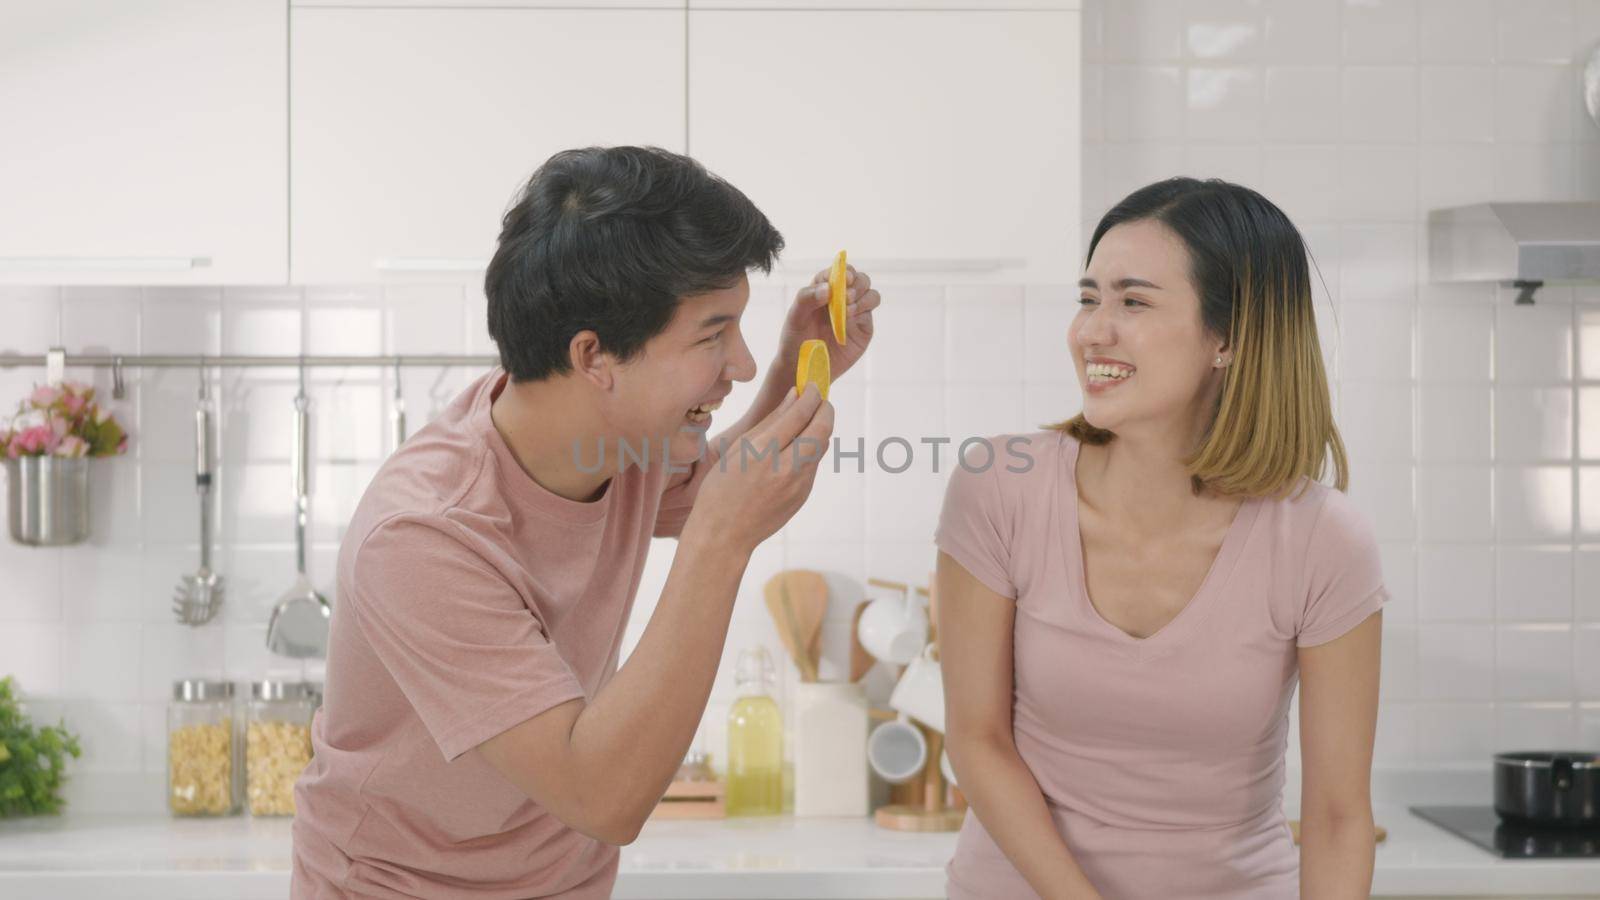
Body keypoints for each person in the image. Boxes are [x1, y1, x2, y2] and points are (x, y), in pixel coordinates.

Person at [291, 145, 880, 898]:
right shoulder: (424, 536)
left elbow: (710, 488)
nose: (737, 361)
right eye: (712, 334)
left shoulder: (612, 436)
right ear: (593, 356)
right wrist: (722, 542)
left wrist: (798, 364)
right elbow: (602, 798)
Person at [936, 177, 1385, 899]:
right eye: (1090, 298)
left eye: (1133, 301)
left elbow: (1337, 816)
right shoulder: (1000, 487)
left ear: (1230, 338)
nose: (1091, 331)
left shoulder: (1322, 540)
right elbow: (977, 740)